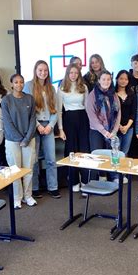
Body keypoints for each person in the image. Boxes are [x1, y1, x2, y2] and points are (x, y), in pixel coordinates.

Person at [24, 60, 61, 199]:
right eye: (40, 70)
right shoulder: (28, 86)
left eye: (45, 70)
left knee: (51, 159)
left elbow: (55, 110)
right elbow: (27, 109)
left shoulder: (51, 88)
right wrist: (38, 125)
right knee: (33, 160)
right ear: (35, 71)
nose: (43, 73)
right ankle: (34, 188)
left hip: (49, 127)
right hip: (34, 125)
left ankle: (53, 187)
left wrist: (50, 126)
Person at [2, 74, 37, 208]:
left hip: (29, 139)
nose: (19, 84)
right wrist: (20, 139)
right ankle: (17, 197)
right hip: (12, 140)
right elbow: (7, 122)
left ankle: (28, 196)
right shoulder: (6, 100)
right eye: (16, 82)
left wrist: (27, 138)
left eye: (21, 82)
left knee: (28, 169)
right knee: (15, 170)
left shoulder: (29, 99)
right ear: (11, 84)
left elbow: (33, 119)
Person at [57, 63, 90, 192]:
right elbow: (59, 110)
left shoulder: (84, 87)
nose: (73, 75)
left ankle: (85, 181)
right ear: (67, 73)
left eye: (76, 73)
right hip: (69, 120)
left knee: (84, 151)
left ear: (79, 74)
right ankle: (74, 181)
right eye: (71, 73)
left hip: (83, 119)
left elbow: (87, 107)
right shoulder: (62, 88)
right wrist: (60, 128)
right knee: (71, 150)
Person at [115, 70, 136, 156]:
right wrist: (119, 126)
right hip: (115, 128)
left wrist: (127, 127)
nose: (123, 81)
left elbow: (133, 112)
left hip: (129, 128)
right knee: (116, 152)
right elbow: (111, 113)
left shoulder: (132, 95)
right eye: (121, 78)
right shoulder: (112, 94)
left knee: (125, 153)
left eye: (126, 79)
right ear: (116, 79)